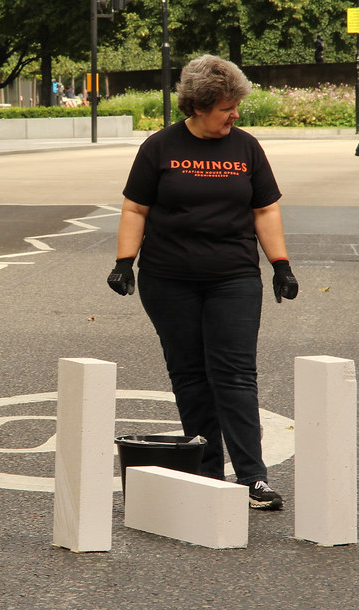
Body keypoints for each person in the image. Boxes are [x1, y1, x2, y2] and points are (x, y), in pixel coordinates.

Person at [106, 55, 298, 510]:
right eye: (226, 108)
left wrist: (281, 264)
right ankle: (208, 473)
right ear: (198, 106)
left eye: (236, 107)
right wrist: (123, 262)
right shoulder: (159, 147)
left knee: (234, 375)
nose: (235, 115)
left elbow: (264, 210)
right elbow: (136, 209)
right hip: (168, 280)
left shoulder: (246, 148)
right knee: (190, 377)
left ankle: (252, 478)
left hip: (232, 277)